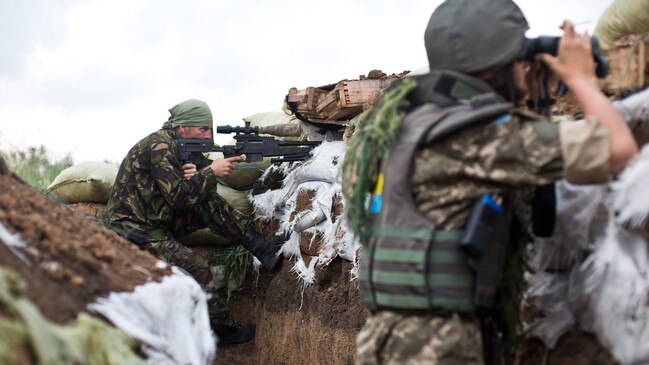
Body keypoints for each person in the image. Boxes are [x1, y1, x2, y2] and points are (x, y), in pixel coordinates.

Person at [341, 0, 639, 364]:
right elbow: (618, 148)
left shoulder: (409, 126)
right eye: (519, 59)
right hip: (440, 346)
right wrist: (580, 77)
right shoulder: (479, 135)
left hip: (389, 338)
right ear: (497, 67)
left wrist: (538, 101)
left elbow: (534, 186)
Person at [105, 98, 287, 346]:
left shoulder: (177, 145)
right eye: (202, 129)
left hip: (156, 218)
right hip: (134, 228)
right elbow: (178, 197)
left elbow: (186, 189)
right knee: (198, 268)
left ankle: (260, 246)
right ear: (182, 128)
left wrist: (209, 169)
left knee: (208, 201)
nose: (208, 135)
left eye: (209, 129)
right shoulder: (160, 146)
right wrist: (211, 172)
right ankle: (224, 332)